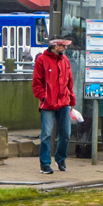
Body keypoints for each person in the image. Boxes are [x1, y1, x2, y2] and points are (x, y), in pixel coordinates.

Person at [32, 36, 75, 174]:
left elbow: (70, 82)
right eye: (63, 46)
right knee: (46, 134)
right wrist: (43, 97)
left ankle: (60, 158)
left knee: (66, 134)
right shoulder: (41, 60)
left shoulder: (65, 60)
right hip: (47, 104)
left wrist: (71, 100)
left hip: (63, 103)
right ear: (56, 46)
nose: (65, 48)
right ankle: (45, 163)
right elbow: (36, 82)